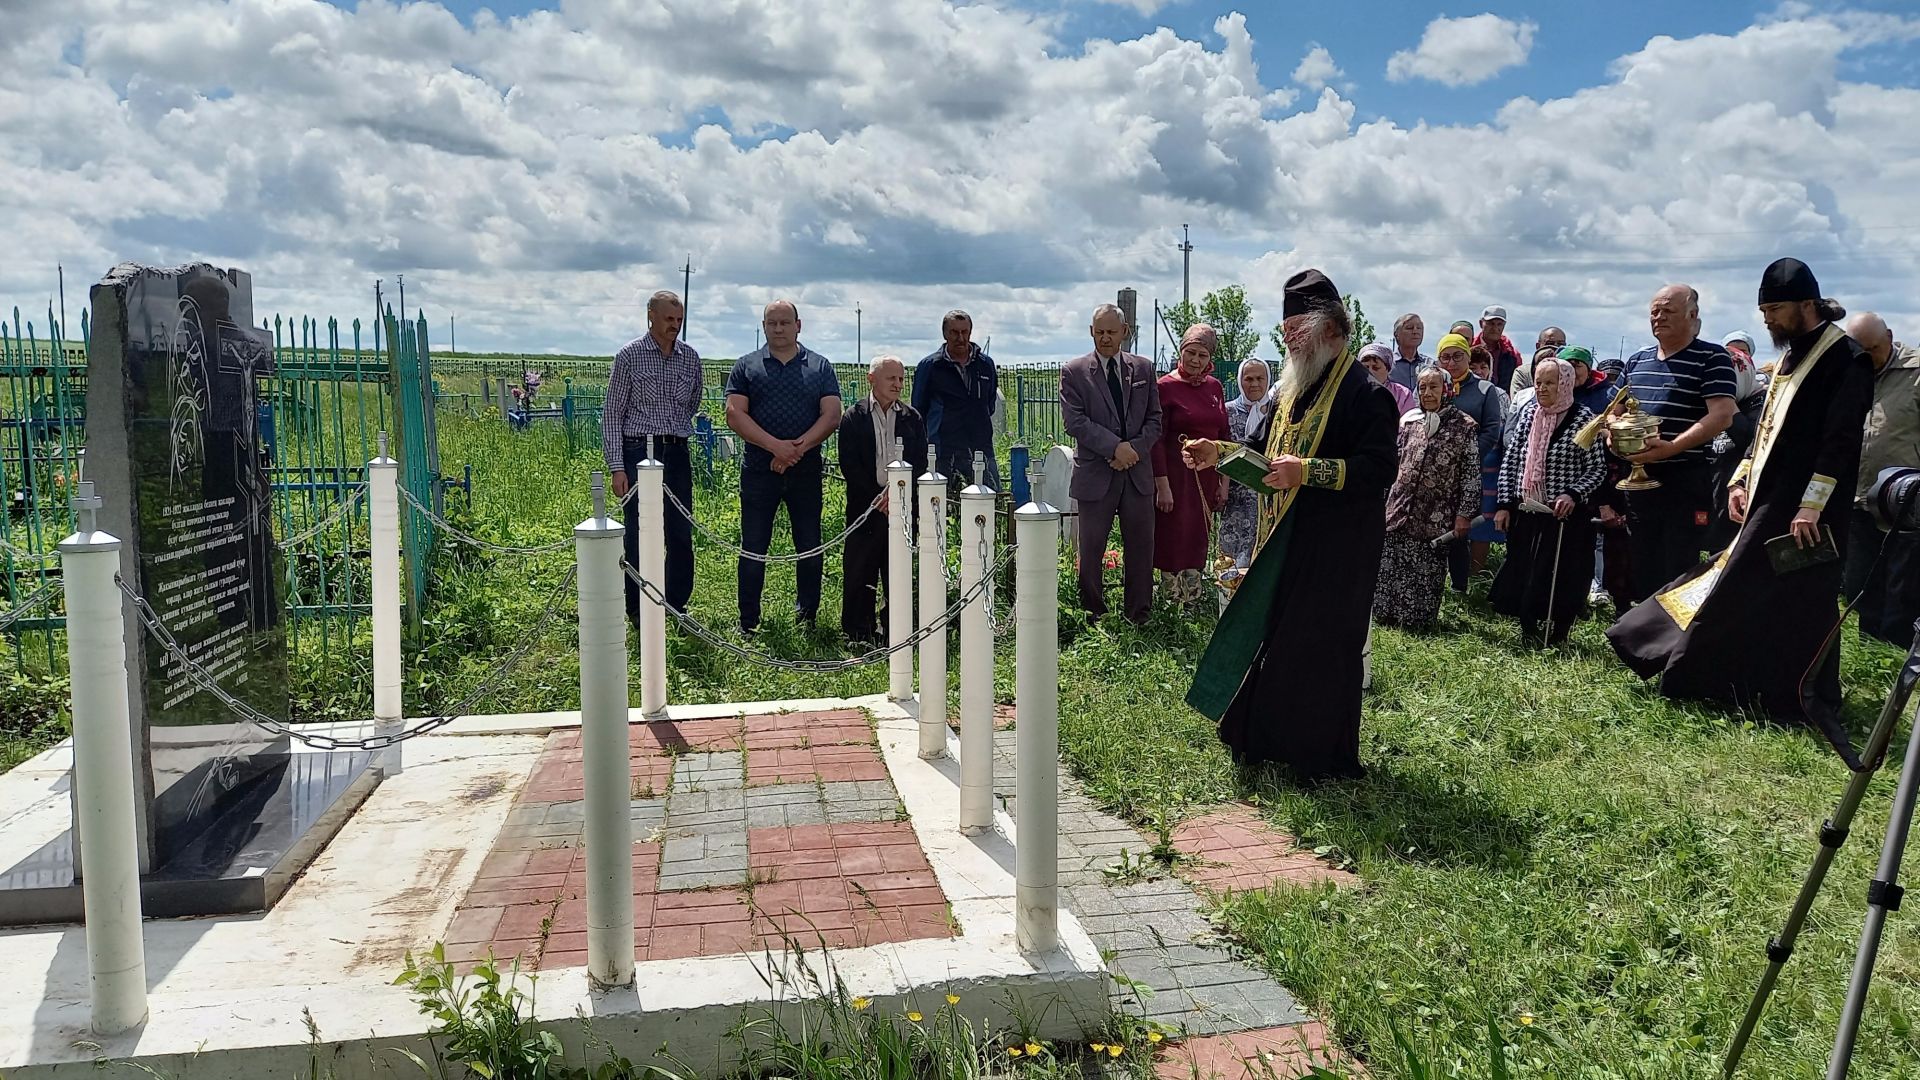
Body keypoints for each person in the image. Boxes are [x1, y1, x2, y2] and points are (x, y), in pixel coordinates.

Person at [1609, 259, 1873, 767]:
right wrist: (1740, 476)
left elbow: (1840, 444)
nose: (1768, 321)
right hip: (1767, 497)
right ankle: (1732, 679)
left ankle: (1705, 675)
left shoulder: (1846, 358)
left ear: (1806, 304)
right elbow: (1765, 424)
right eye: (1764, 311)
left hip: (1807, 510)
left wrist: (1811, 506)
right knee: (1747, 588)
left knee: (1778, 595)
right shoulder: (1793, 356)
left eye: (1774, 310)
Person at [1180, 269, 1400, 781]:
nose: (1289, 343)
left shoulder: (1367, 395)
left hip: (1340, 546)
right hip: (1284, 537)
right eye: (1286, 336)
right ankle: (1262, 740)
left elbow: (1378, 470)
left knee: (1322, 646)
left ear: (1330, 330)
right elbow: (1264, 455)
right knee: (1276, 637)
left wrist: (1310, 472)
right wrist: (1219, 452)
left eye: (1297, 333)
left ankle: (1318, 757)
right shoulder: (1289, 390)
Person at [1611, 285, 1738, 602]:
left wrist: (1671, 447)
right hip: (1639, 480)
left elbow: (1721, 415)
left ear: (1692, 315)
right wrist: (1613, 436)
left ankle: (1672, 641)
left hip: (1684, 479)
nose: (1658, 317)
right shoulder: (1637, 361)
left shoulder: (1712, 357)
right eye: (1654, 311)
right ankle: (1642, 634)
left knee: (1678, 563)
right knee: (1641, 558)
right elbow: (1613, 412)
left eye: (1667, 310)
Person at [724, 300, 844, 633]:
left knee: (809, 543)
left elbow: (832, 415)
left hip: (805, 471)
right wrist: (775, 447)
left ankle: (807, 618)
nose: (778, 329)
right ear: (763, 326)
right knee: (753, 545)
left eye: (785, 323)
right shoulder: (747, 366)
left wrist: (797, 449)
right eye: (772, 323)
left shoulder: (819, 367)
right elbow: (735, 414)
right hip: (759, 470)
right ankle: (748, 622)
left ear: (798, 325)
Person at [1490, 357, 1606, 644]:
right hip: (1529, 509)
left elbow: (1597, 468)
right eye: (1538, 382)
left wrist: (1573, 494)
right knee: (1526, 568)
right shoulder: (1530, 414)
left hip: (1565, 515)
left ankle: (1560, 630)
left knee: (1565, 572)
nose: (1541, 389)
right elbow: (1512, 461)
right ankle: (1528, 627)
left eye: (1549, 383)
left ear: (1565, 384)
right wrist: (1505, 505)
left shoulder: (1584, 420)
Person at [1061, 303, 1162, 623]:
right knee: (1091, 549)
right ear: (1091, 332)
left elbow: (1155, 420)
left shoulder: (1144, 369)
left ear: (1125, 332)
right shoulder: (1074, 372)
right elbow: (1075, 422)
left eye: (1111, 332)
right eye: (1099, 332)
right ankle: (1094, 613)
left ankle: (1139, 614)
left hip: (1137, 474)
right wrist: (1114, 448)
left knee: (1141, 549)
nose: (1105, 338)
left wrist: (1132, 450)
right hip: (1096, 474)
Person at [606, 290, 703, 620]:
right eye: (668, 319)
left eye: (679, 320)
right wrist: (617, 467)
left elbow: (692, 403)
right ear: (651, 316)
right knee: (638, 531)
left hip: (676, 450)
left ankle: (675, 605)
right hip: (637, 449)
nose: (674, 325)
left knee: (679, 530)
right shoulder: (629, 356)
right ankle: (636, 607)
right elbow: (613, 414)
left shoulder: (690, 358)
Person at [1374, 366, 1478, 630]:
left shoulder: (1464, 426)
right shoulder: (1409, 421)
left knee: (1425, 571)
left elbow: (1471, 475)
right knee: (1390, 565)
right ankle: (1385, 617)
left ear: (1447, 389)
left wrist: (1464, 513)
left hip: (1436, 514)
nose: (1428, 393)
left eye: (1433, 387)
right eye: (1422, 387)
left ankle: (1416, 623)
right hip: (1399, 509)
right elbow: (1393, 463)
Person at [834, 356, 928, 645]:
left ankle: (896, 629)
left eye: (901, 379)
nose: (898, 384)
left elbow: (920, 461)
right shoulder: (854, 416)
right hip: (865, 505)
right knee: (861, 566)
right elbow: (849, 464)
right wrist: (877, 498)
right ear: (872, 379)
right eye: (891, 378)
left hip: (901, 507)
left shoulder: (912, 418)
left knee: (896, 569)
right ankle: (859, 631)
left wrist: (897, 495)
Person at [1841, 312, 1920, 648]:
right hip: (1858, 498)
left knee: (1902, 586)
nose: (1867, 357)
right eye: (1860, 351)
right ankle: (1869, 650)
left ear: (1889, 336)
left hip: (1905, 503)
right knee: (1860, 582)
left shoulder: (1916, 372)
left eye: (1873, 348)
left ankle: (1898, 655)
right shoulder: (1849, 372)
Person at [1153, 324, 1230, 595]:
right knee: (1174, 534)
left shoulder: (1214, 387)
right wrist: (1162, 486)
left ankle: (1193, 599)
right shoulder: (1165, 387)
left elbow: (1224, 435)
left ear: (1211, 359)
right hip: (1176, 476)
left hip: (1206, 476)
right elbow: (1157, 440)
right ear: (1181, 352)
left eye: (1203, 355)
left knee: (1198, 533)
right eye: (1191, 353)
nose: (1196, 361)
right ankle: (1171, 599)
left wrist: (1224, 483)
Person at [1435, 333, 1507, 591]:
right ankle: (1432, 579)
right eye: (1445, 357)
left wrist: (1467, 457)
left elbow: (1491, 429)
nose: (1451, 362)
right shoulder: (1433, 384)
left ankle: (1463, 582)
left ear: (1467, 356)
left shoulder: (1485, 390)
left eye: (1458, 356)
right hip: (1435, 469)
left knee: (1465, 524)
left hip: (1471, 468)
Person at [912, 309, 1000, 490]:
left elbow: (989, 403)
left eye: (964, 332)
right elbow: (919, 408)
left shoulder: (985, 365)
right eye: (954, 332)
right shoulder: (930, 366)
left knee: (989, 501)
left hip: (980, 447)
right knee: (944, 505)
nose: (960, 338)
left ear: (970, 332)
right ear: (945, 334)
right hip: (944, 449)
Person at [1219, 358, 1272, 566]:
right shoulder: (1228, 411)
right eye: (1248, 378)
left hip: (1268, 495)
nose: (1254, 384)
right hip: (1235, 496)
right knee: (1231, 560)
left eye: (1260, 378)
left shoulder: (1278, 411)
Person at [1476, 305, 1525, 391]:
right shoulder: (1469, 348)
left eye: (1499, 324)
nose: (1495, 328)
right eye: (1491, 323)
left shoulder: (1512, 354)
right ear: (1481, 323)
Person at [1359, 342, 1416, 415]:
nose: (1370, 372)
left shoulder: (1403, 394)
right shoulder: (1352, 391)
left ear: (1388, 369)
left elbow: (1409, 421)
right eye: (1365, 368)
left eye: (1376, 368)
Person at [1509, 326, 1567, 394]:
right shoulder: (1523, 373)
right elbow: (1517, 401)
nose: (1556, 347)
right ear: (1538, 346)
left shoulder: (1569, 372)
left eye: (1560, 344)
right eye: (1550, 343)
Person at [1386, 313, 1431, 392]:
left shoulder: (1430, 364)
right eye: (1409, 328)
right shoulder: (1387, 363)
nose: (1415, 331)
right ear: (1396, 334)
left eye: (1419, 328)